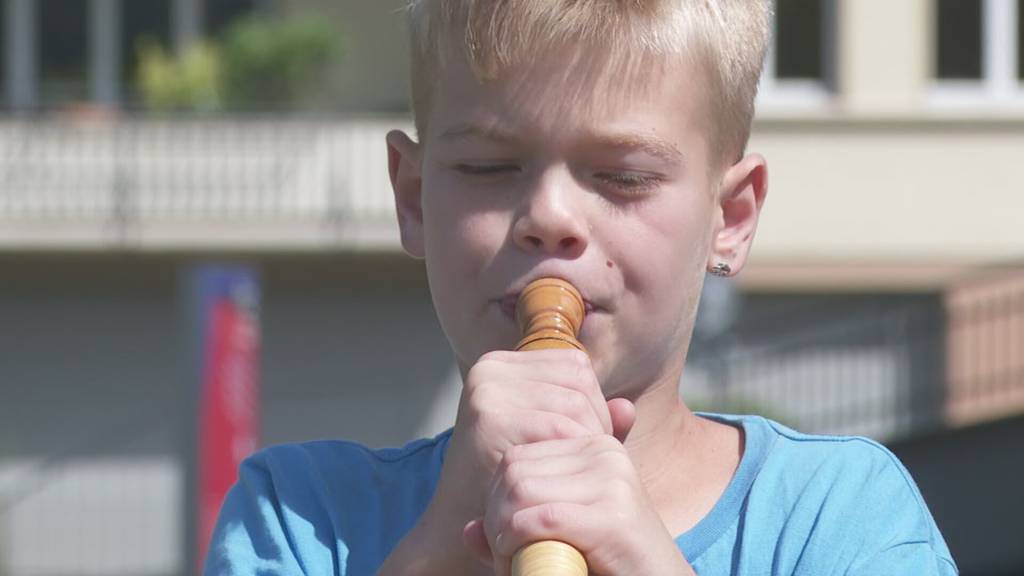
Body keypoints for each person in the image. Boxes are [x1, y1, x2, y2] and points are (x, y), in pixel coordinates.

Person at [204, 1, 957, 574]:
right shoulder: (302, 517)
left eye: (622, 176)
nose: (549, 217)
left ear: (728, 218)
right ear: (412, 198)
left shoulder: (840, 515)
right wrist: (444, 540)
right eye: (488, 169)